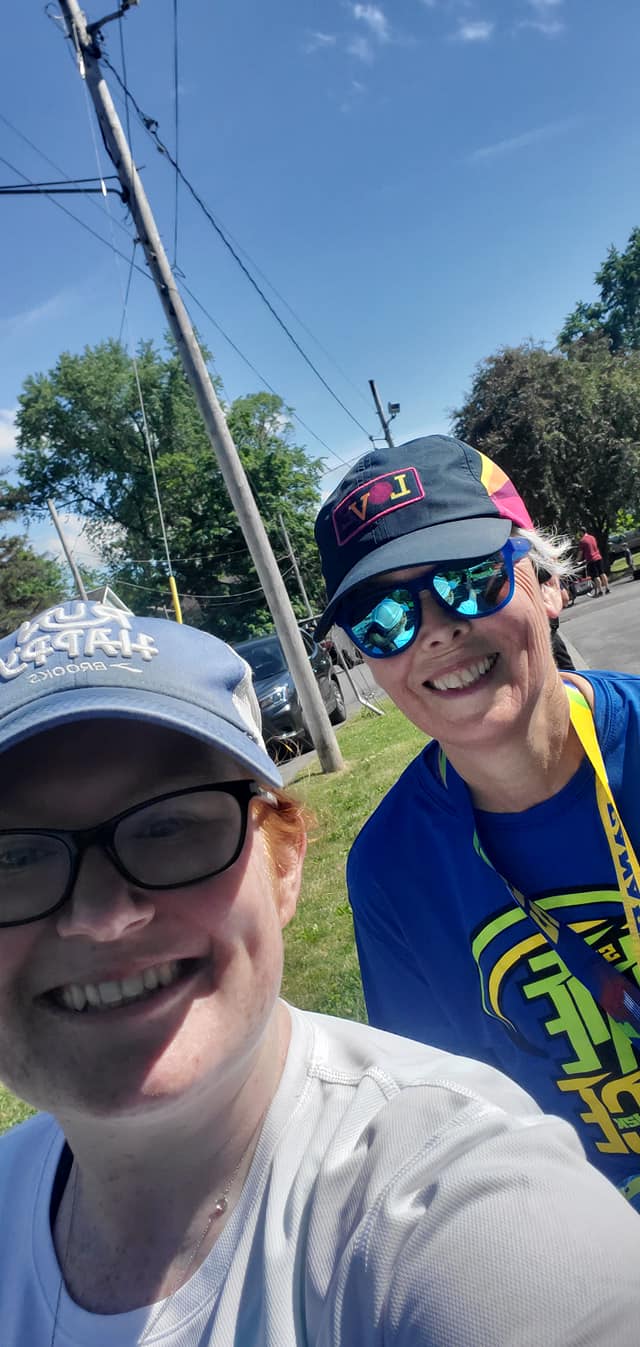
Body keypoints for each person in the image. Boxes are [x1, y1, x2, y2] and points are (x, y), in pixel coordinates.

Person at [4, 600, 640, 1343]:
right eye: (13, 855)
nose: (102, 912)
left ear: (285, 863)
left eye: (170, 825)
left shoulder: (450, 1198)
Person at [314, 434, 640, 1207]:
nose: (433, 628)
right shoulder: (392, 872)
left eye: (466, 579)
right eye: (382, 616)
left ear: (548, 582)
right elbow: (454, 1129)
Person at [577, 525, 610, 595]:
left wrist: (577, 560)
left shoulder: (582, 541)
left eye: (579, 532)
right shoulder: (592, 537)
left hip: (591, 560)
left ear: (581, 532)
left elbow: (580, 553)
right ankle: (607, 588)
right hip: (598, 557)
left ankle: (600, 591)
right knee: (602, 573)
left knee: (596, 576)